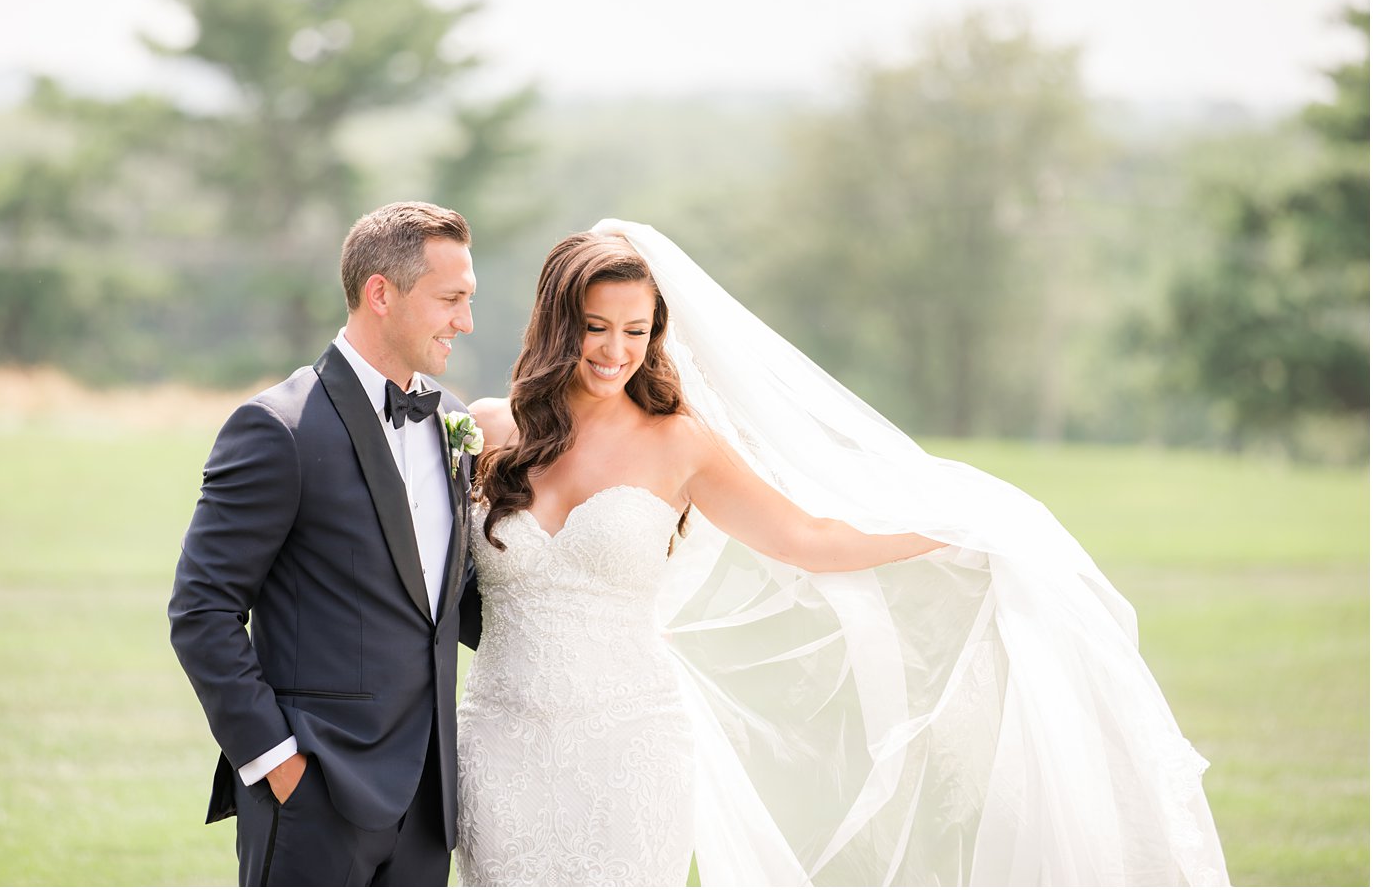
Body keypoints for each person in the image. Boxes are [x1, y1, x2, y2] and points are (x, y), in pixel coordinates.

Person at [455, 222, 1229, 887]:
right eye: (597, 326)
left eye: (637, 329)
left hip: (630, 747)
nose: (617, 349)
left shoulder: (678, 442)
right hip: (499, 749)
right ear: (560, 323)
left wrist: (957, 529)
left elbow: (808, 539)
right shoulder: (484, 431)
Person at [169, 201, 483, 887]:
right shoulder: (276, 428)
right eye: (450, 299)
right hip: (315, 798)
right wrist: (278, 763)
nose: (465, 320)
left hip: (429, 809)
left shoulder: (455, 423)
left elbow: (451, 605)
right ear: (381, 293)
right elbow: (201, 611)